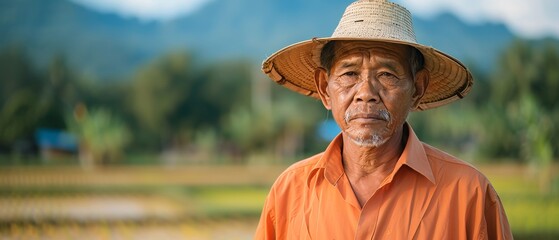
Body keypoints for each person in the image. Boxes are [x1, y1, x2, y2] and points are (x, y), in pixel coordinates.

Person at [254, 0, 513, 239]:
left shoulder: (469, 193)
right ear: (325, 89)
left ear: (417, 90)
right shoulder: (290, 191)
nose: (366, 93)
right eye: (350, 73)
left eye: (387, 74)